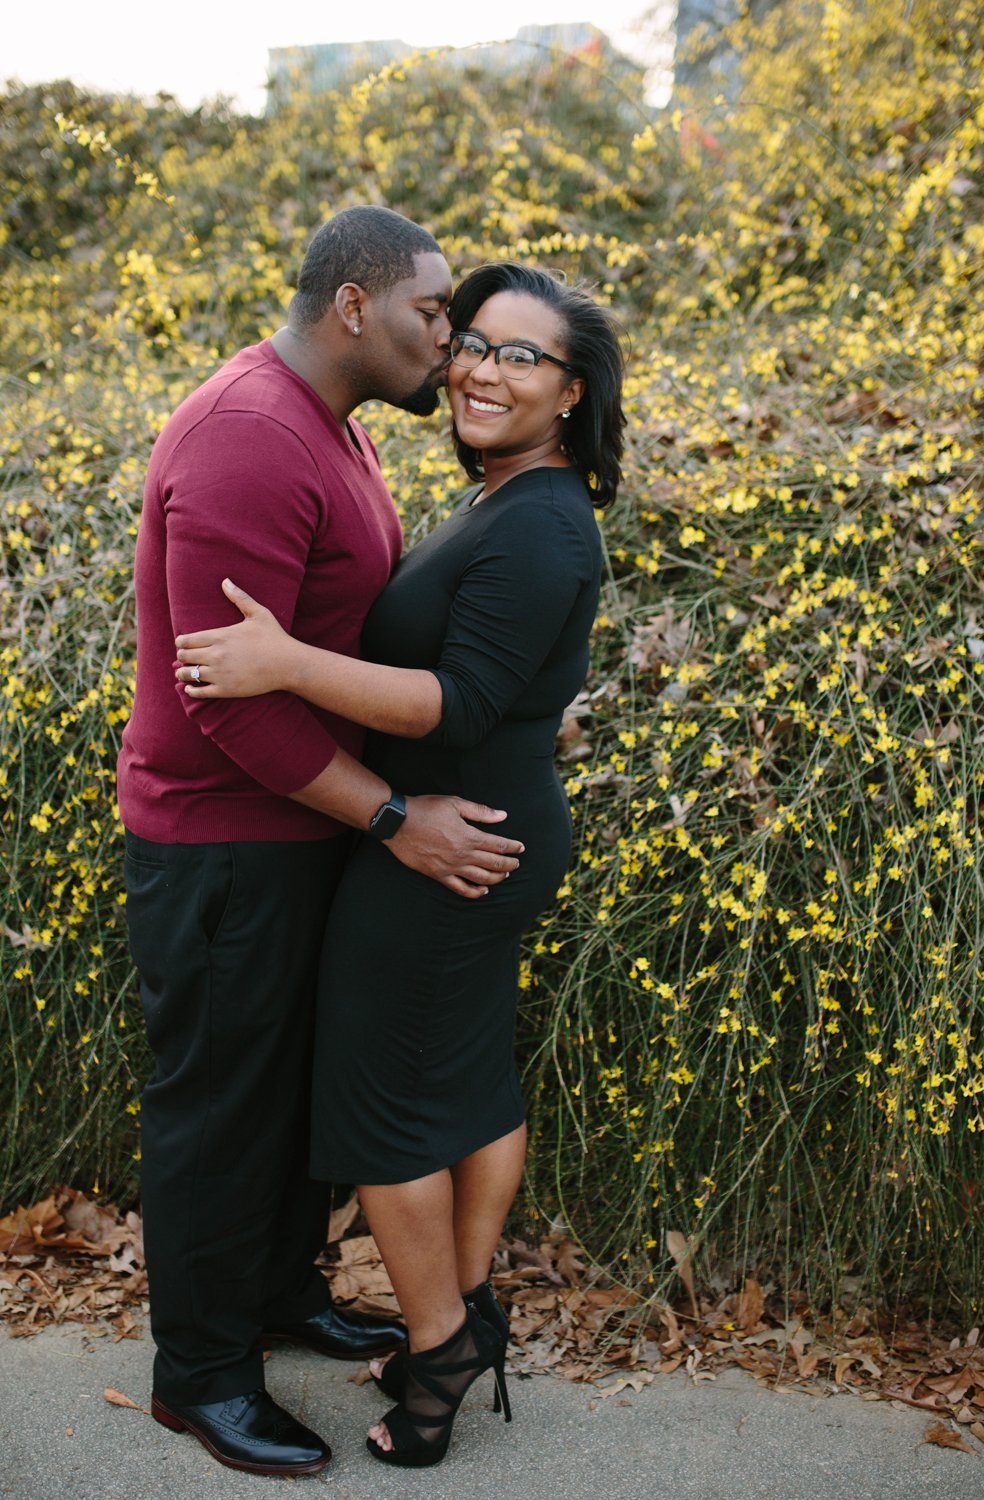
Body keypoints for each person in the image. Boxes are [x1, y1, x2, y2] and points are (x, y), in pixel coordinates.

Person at [174, 261, 627, 1468]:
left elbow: (461, 696)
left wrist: (286, 662)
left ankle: (437, 1355)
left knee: (382, 1116)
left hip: (444, 846)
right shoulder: (507, 498)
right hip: (471, 831)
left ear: (571, 391)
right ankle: (463, 1309)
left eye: (519, 356)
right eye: (471, 340)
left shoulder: (538, 519)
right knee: (467, 1083)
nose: (480, 367)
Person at [116, 209, 525, 1480]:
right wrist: (395, 819)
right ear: (353, 305)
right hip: (226, 838)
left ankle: (277, 1297)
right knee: (222, 1111)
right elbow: (220, 703)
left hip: (300, 828)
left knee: (292, 1094)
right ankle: (200, 1372)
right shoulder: (247, 438)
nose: (447, 339)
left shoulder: (329, 422)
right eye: (431, 310)